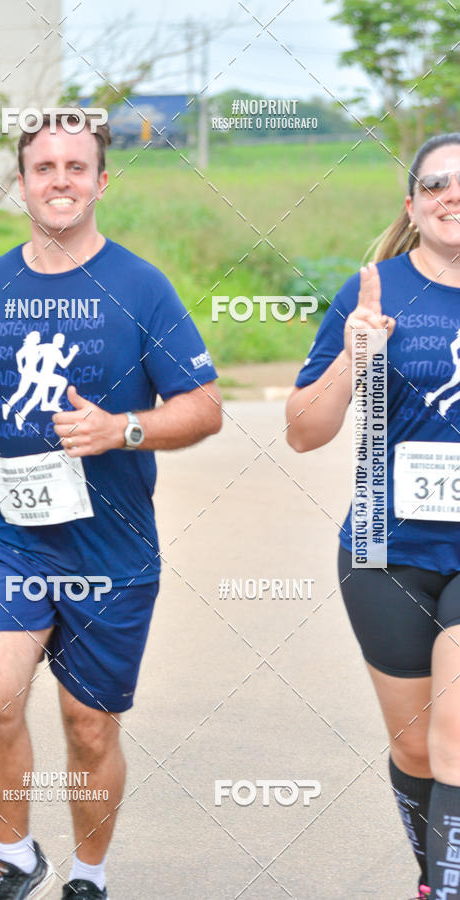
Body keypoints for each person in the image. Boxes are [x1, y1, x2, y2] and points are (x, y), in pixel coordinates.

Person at [0, 112, 222, 900]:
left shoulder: (140, 287)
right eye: (43, 166)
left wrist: (124, 428)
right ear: (20, 183)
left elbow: (204, 406)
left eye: (76, 167)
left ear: (100, 181)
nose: (60, 180)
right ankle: (16, 859)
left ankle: (89, 875)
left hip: (109, 548)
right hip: (2, 536)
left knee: (89, 731)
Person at [286, 133, 460, 900]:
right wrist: (355, 358)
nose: (452, 194)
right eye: (436, 183)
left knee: (456, 742)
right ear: (413, 205)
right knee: (417, 746)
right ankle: (435, 876)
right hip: (385, 550)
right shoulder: (373, 293)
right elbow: (303, 430)